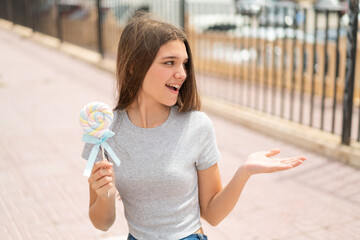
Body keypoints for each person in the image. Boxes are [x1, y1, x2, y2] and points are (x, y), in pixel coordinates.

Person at [82, 12, 306, 240]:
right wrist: (106, 194)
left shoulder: (197, 125)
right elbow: (102, 223)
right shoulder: (103, 132)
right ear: (133, 66)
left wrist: (244, 172)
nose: (182, 74)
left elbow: (213, 214)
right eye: (169, 63)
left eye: (184, 64)